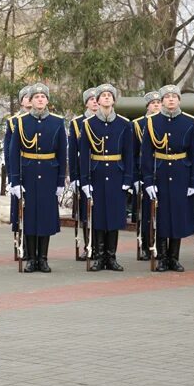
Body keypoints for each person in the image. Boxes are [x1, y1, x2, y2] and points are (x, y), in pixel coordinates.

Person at [8, 83, 66, 273]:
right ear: (30, 101)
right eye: (36, 97)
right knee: (30, 216)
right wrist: (15, 180)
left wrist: (60, 181)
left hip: (49, 174)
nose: (40, 99)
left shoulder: (57, 122)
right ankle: (31, 258)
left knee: (46, 217)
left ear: (47, 100)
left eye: (43, 97)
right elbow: (14, 152)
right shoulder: (21, 122)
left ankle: (43, 258)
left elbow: (62, 153)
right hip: (28, 173)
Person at [141, 85, 194, 272]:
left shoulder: (189, 122)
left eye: (174, 96)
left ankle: (174, 257)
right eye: (167, 97)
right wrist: (148, 180)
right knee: (161, 215)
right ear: (162, 100)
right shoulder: (152, 122)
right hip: (160, 172)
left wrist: (193, 180)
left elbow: (193, 153)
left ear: (179, 100)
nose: (171, 100)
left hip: (181, 172)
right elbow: (147, 154)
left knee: (178, 216)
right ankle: (162, 257)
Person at [78, 84, 134, 271]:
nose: (107, 98)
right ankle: (100, 256)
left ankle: (112, 256)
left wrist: (127, 179)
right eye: (103, 95)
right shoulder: (88, 124)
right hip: (97, 173)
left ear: (114, 100)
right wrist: (85, 180)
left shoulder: (124, 124)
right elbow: (84, 155)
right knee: (99, 216)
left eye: (110, 95)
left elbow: (129, 153)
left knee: (114, 217)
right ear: (98, 100)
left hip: (117, 174)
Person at [68, 87, 98, 261]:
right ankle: (88, 246)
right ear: (86, 102)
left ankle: (99, 246)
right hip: (83, 171)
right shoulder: (77, 123)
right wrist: (74, 177)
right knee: (85, 212)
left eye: (96, 99)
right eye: (91, 99)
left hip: (101, 170)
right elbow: (73, 152)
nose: (94, 101)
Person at [132, 91, 162, 261]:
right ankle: (145, 245)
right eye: (153, 102)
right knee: (145, 213)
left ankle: (158, 244)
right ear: (147, 106)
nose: (156, 105)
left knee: (161, 212)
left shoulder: (164, 122)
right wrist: (136, 177)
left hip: (163, 172)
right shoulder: (138, 124)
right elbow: (134, 154)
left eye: (159, 102)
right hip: (145, 173)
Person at [4, 86, 33, 251]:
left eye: (32, 96)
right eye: (26, 97)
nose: (29, 99)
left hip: (35, 169)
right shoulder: (13, 121)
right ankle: (19, 241)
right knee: (19, 208)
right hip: (19, 169)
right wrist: (11, 176)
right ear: (21, 100)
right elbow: (8, 152)